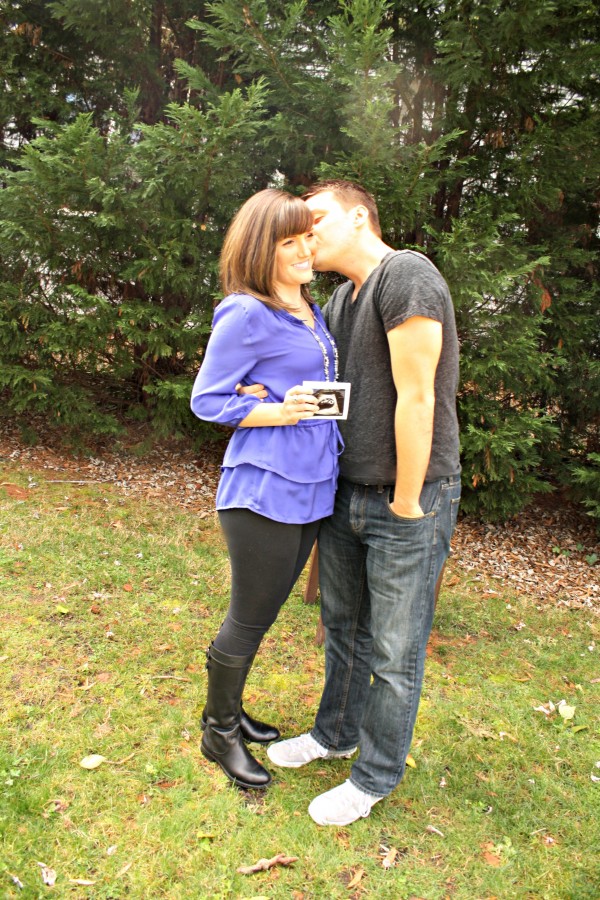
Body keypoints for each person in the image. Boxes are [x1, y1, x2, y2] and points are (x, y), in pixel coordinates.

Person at [262, 180, 462, 825]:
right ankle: (335, 735)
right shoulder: (341, 299)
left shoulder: (406, 276)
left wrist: (405, 501)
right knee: (344, 629)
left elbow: (418, 396)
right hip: (346, 491)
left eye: (316, 219)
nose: (306, 234)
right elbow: (337, 391)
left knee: (395, 651)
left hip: (408, 496)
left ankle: (374, 777)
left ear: (358, 217)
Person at [190, 189, 342, 791]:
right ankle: (218, 731)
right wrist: (277, 411)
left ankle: (231, 711)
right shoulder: (246, 312)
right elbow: (207, 399)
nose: (306, 250)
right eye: (289, 242)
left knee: (267, 609)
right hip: (264, 487)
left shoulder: (308, 307)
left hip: (313, 481)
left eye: (308, 237)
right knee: (249, 616)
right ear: (261, 249)